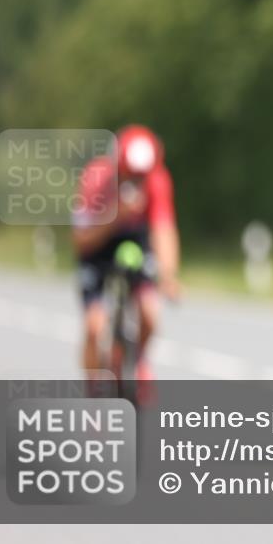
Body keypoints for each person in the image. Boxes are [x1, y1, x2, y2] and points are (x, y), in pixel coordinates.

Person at [72, 124, 181, 385]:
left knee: (149, 316)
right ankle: (94, 389)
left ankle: (138, 357)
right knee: (94, 328)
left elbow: (163, 230)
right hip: (97, 246)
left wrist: (168, 276)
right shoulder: (96, 178)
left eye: (141, 178)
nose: (137, 183)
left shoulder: (157, 180)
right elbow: (81, 239)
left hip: (135, 242)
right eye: (130, 177)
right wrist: (115, 215)